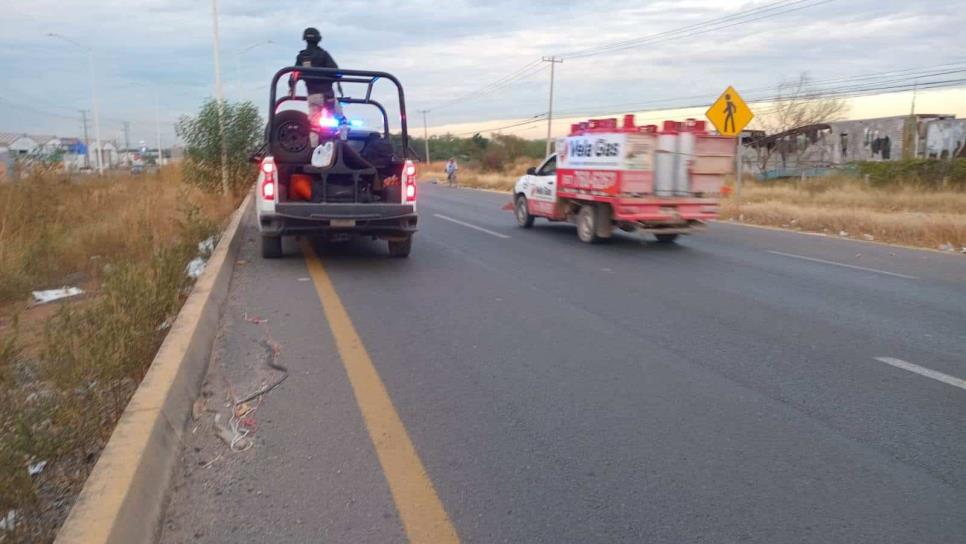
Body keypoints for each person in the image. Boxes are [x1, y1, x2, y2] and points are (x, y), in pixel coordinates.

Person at [290, 27, 341, 145]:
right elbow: (336, 72)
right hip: (327, 95)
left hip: (313, 96)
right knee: (339, 120)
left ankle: (314, 152)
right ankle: (338, 146)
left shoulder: (301, 57)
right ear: (319, 39)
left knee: (314, 127)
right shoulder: (323, 55)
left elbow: (293, 76)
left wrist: (291, 89)